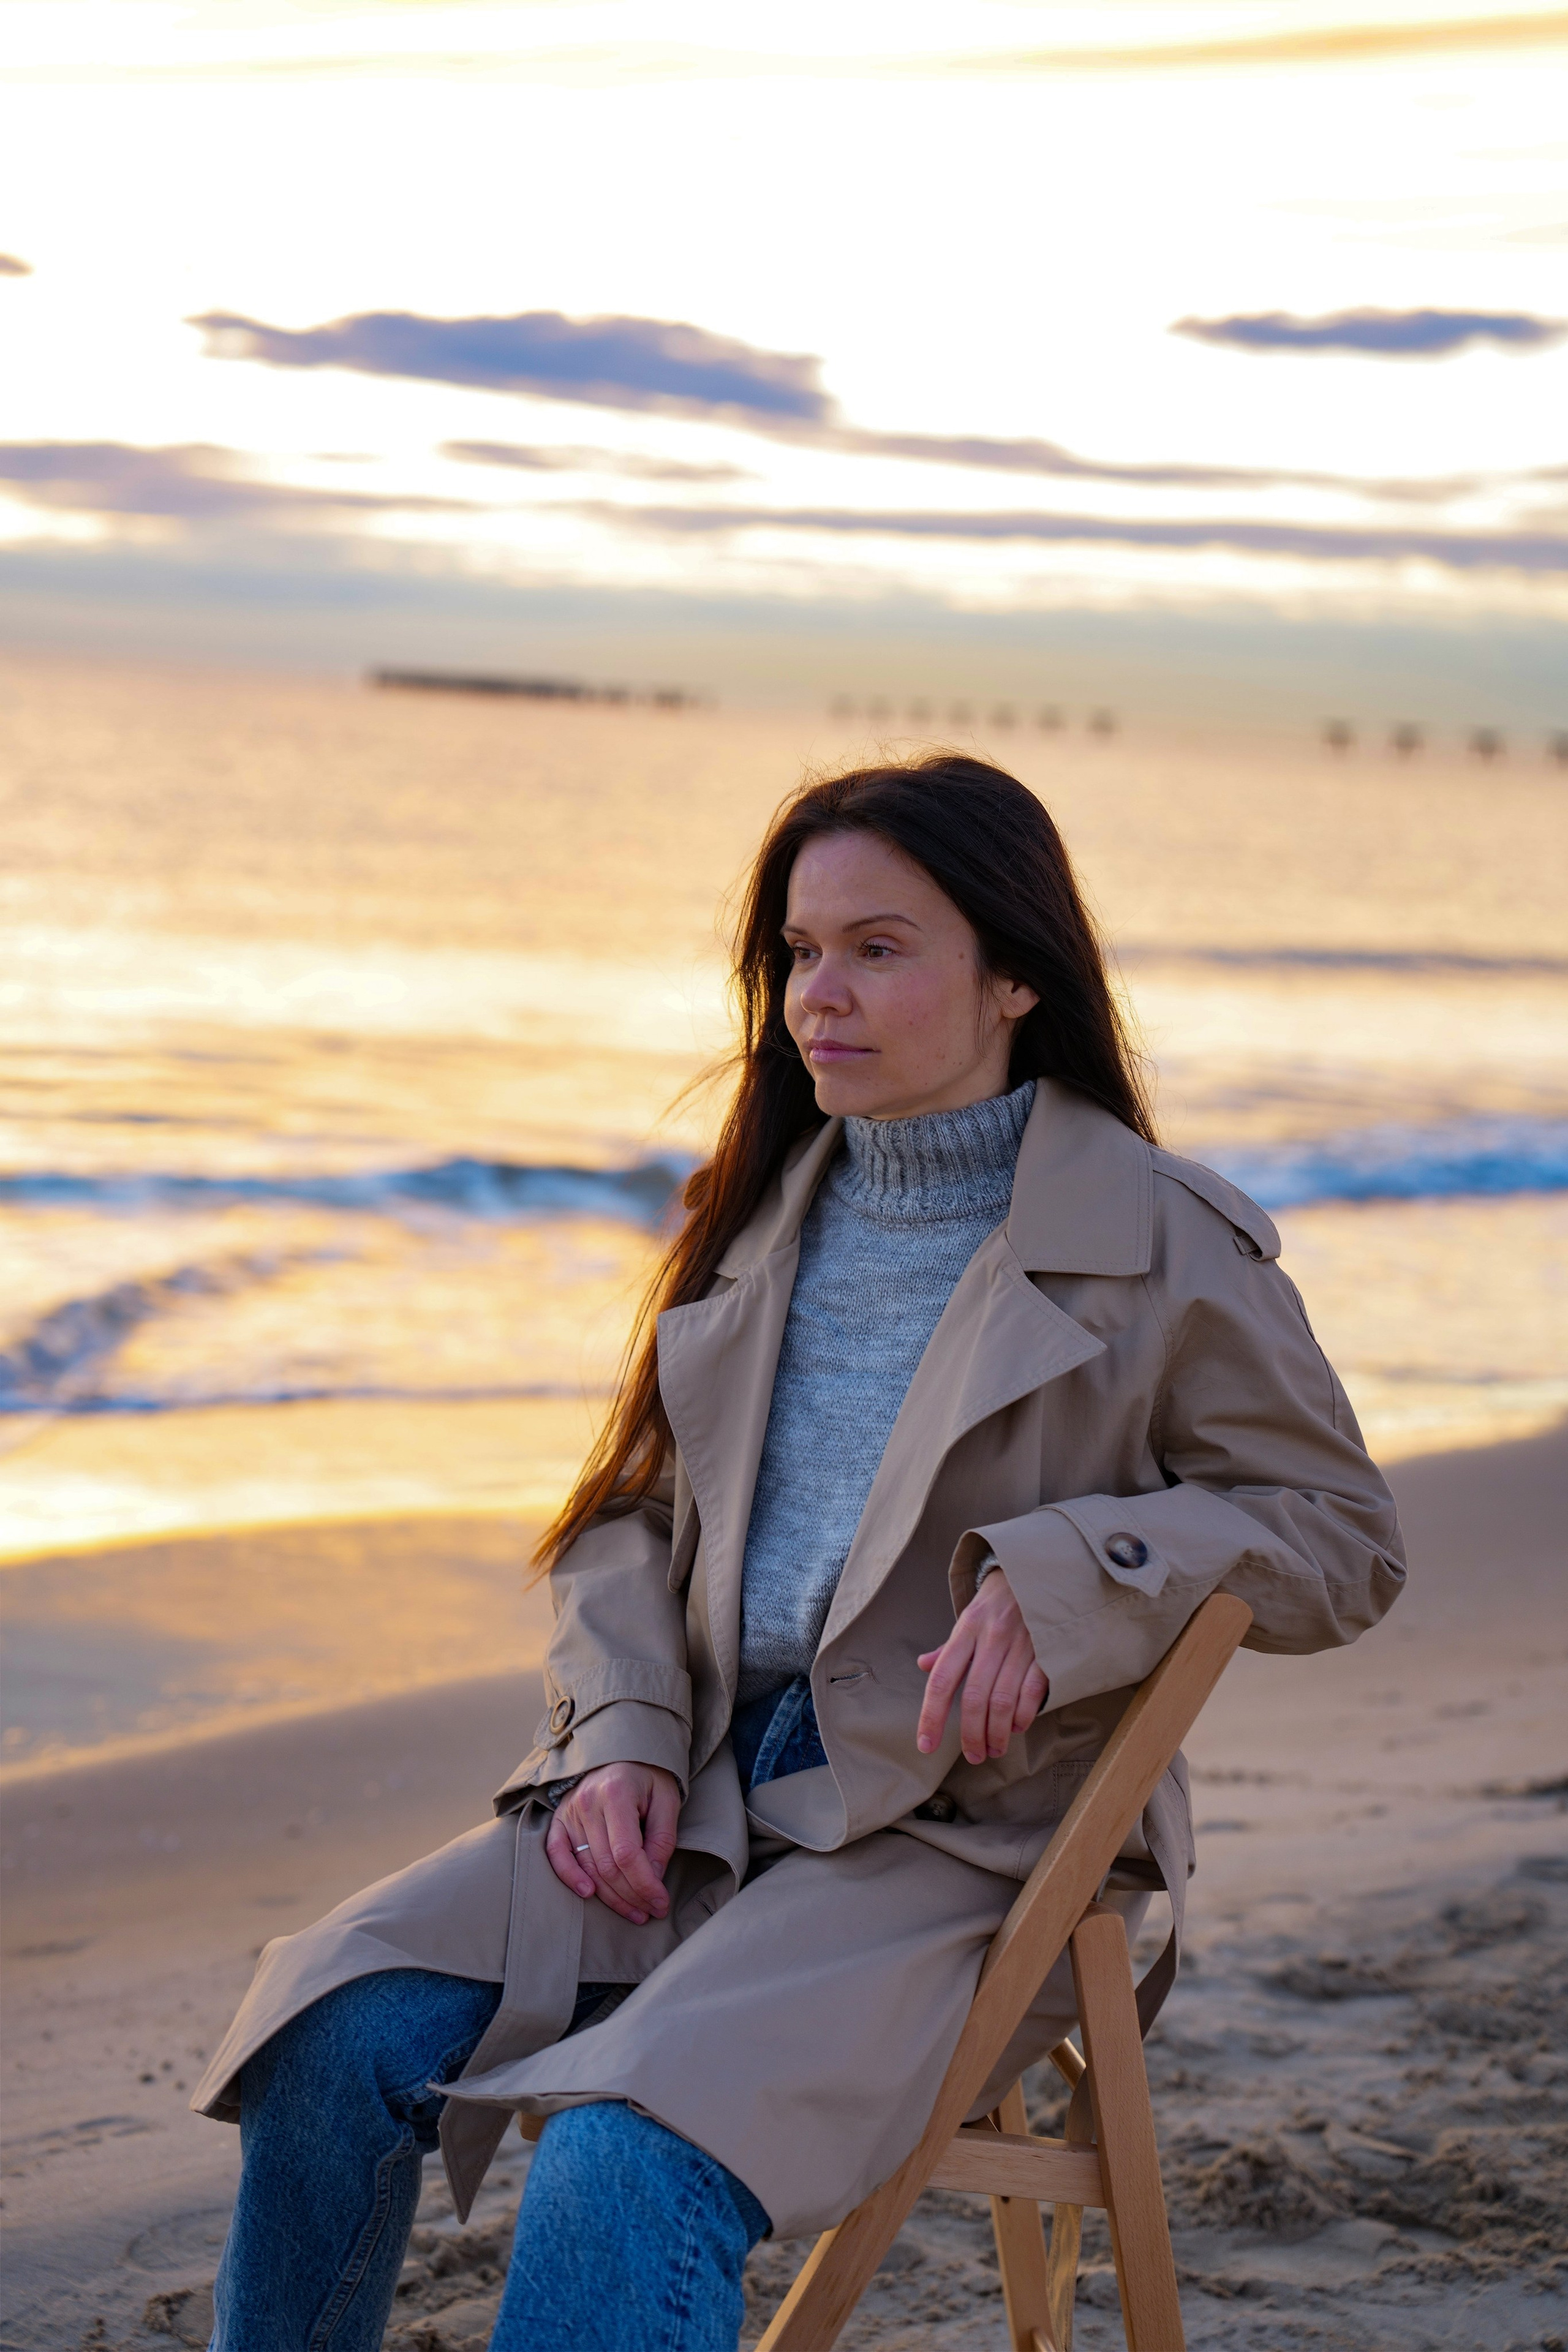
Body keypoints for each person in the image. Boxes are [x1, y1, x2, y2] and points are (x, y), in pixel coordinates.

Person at [194, 753, 1404, 2351]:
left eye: (877, 949)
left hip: (954, 1847)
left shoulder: (1169, 1241)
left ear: (1019, 975)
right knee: (328, 2039)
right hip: (683, 1799)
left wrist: (1069, 1579)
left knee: (622, 2167)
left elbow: (1340, 1541)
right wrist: (618, 1738)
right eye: (798, 953)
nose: (816, 997)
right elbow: (624, 1519)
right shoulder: (760, 1203)